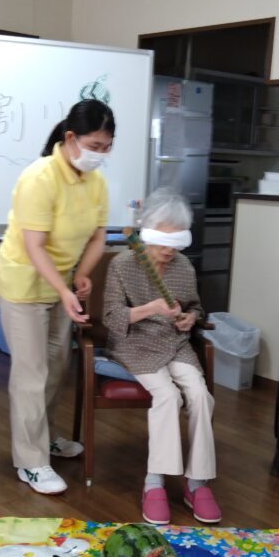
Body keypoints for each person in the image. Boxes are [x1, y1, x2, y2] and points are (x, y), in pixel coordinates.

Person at [0, 99, 114, 494]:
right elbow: (34, 246)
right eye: (94, 145)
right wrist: (64, 289)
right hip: (23, 283)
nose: (99, 154)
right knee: (31, 372)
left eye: (106, 147)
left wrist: (80, 275)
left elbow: (98, 236)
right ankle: (30, 460)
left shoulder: (95, 182)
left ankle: (44, 438)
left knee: (56, 367)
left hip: (59, 284)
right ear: (71, 138)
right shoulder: (39, 177)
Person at [102, 188, 219, 525]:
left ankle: (197, 481)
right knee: (167, 395)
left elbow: (195, 305)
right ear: (146, 232)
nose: (169, 250)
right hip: (134, 344)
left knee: (199, 394)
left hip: (174, 342)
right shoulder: (122, 265)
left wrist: (190, 317)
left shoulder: (184, 267)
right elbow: (112, 318)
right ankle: (154, 481)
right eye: (161, 241)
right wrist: (152, 308)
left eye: (176, 242)